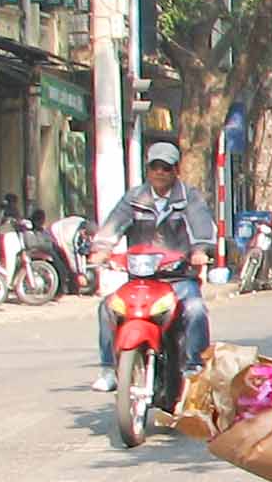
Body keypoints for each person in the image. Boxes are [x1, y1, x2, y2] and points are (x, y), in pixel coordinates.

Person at [87, 142, 216, 392]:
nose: (160, 173)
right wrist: (102, 250)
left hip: (178, 278)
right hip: (141, 280)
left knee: (196, 309)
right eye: (155, 167)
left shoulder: (189, 197)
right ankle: (107, 368)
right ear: (147, 170)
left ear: (176, 170)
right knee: (108, 307)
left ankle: (194, 369)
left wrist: (199, 251)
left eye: (166, 168)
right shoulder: (134, 198)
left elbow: (201, 226)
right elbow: (114, 224)